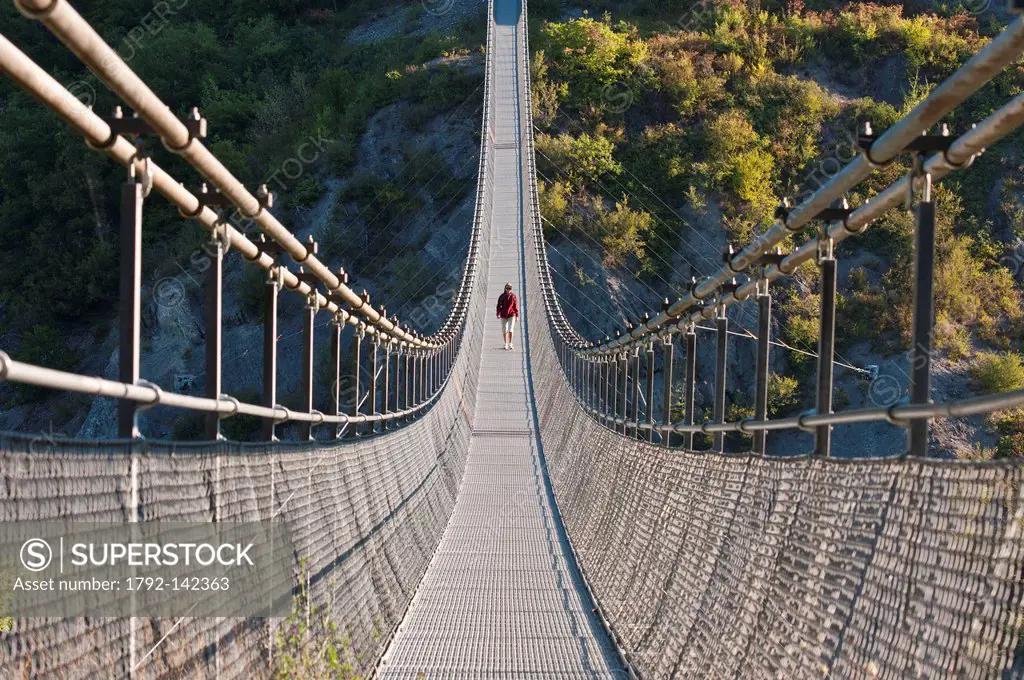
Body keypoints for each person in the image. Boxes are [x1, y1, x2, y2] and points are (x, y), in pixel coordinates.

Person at [496, 283, 519, 350]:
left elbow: (515, 306)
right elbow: (498, 306)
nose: (508, 290)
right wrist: (498, 313)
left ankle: (510, 343)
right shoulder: (502, 296)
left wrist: (517, 315)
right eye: (507, 288)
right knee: (504, 330)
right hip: (503, 315)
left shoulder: (514, 296)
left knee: (510, 329)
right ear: (505, 288)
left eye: (510, 288)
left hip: (512, 314)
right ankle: (506, 343)